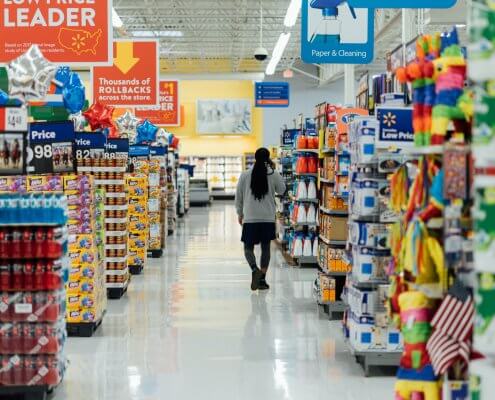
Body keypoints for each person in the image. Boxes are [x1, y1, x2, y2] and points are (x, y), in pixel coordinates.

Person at [235, 147, 286, 291]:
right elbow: (282, 190)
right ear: (268, 158)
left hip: (250, 217)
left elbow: (238, 196)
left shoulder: (245, 175)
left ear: (255, 158)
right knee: (265, 248)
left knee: (248, 248)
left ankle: (254, 269)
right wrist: (274, 171)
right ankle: (262, 279)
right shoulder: (273, 173)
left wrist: (240, 213)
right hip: (267, 217)